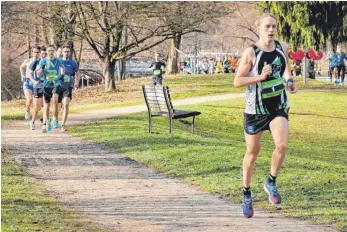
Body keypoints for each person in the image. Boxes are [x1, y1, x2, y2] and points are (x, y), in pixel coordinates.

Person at [233, 13, 297, 218]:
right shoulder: (251, 53)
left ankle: (270, 181)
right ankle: (246, 192)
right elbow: (237, 81)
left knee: (282, 145)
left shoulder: (282, 47)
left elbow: (285, 68)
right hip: (255, 110)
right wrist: (260, 77)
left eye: (274, 27)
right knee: (252, 153)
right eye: (267, 27)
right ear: (259, 28)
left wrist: (289, 81)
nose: (271, 30)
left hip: (278, 105)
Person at [37, 45, 65, 133]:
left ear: (54, 51)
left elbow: (63, 67)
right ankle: (47, 122)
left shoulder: (58, 60)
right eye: (49, 50)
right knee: (46, 106)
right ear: (46, 52)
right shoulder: (43, 61)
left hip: (56, 84)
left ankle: (55, 118)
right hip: (46, 85)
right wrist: (42, 68)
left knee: (55, 101)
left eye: (52, 50)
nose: (50, 52)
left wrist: (62, 75)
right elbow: (38, 75)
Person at [54, 45, 79, 132]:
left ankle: (63, 125)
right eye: (65, 51)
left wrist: (76, 82)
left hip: (68, 86)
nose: (66, 53)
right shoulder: (58, 61)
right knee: (57, 105)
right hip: (58, 85)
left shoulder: (73, 62)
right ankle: (54, 120)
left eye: (68, 51)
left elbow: (77, 72)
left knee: (66, 104)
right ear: (62, 52)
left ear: (70, 52)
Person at [19, 46, 41, 120]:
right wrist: (22, 75)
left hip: (37, 83)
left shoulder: (41, 62)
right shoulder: (27, 61)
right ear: (32, 52)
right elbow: (21, 67)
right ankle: (27, 111)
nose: (36, 54)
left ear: (39, 53)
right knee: (29, 99)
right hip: (28, 82)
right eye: (34, 52)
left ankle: (35, 114)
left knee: (37, 101)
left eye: (37, 52)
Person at [28, 47, 47, 130]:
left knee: (46, 106)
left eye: (45, 54)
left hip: (47, 87)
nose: (43, 55)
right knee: (37, 108)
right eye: (42, 53)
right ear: (40, 54)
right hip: (38, 87)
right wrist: (34, 81)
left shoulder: (51, 62)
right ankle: (32, 122)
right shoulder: (36, 62)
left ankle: (45, 124)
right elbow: (30, 74)